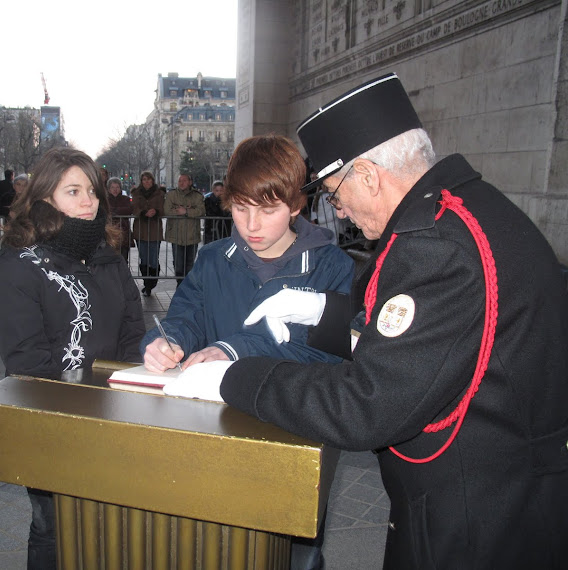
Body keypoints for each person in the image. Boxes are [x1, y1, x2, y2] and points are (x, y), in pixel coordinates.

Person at [201, 74, 568, 569]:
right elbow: (428, 342)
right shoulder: (461, 213)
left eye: (335, 193)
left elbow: (367, 406)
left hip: (477, 515)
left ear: (369, 175)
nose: (341, 211)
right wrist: (322, 313)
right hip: (496, 490)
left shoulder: (436, 246)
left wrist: (235, 376)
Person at [142, 135, 354, 570]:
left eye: (268, 209)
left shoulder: (332, 266)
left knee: (296, 554)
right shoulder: (215, 257)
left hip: (298, 434)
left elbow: (330, 356)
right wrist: (167, 341)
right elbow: (187, 313)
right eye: (241, 209)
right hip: (221, 429)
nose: (252, 225)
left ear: (296, 205)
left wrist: (231, 349)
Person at [0, 147, 145, 569]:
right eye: (72, 190)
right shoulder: (17, 267)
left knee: (111, 522)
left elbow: (133, 332)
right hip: (51, 423)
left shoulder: (109, 258)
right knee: (53, 526)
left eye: (92, 190)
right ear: (44, 199)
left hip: (115, 413)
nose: (88, 201)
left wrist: (129, 392)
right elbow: (27, 362)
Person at [164, 173, 205, 286]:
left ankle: (187, 287)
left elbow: (201, 211)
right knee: (178, 264)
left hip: (192, 235)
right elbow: (167, 211)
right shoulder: (171, 195)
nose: (181, 183)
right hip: (176, 234)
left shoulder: (197, 196)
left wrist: (186, 212)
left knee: (190, 264)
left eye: (184, 180)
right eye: (180, 181)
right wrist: (181, 211)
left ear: (190, 182)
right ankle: (180, 284)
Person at [130, 171, 164, 296]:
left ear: (153, 180)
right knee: (144, 259)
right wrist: (143, 212)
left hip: (155, 230)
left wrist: (156, 211)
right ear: (141, 181)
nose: (146, 181)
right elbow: (134, 208)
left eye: (149, 179)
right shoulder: (136, 193)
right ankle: (147, 284)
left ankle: (152, 283)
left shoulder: (160, 193)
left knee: (154, 260)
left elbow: (163, 208)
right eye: (144, 179)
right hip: (141, 230)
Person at [106, 177, 133, 261]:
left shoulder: (126, 199)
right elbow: (105, 210)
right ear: (109, 189)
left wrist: (114, 211)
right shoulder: (105, 200)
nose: (115, 190)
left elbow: (129, 210)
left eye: (117, 187)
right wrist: (118, 211)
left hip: (123, 232)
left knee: (123, 259)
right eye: (112, 187)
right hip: (109, 234)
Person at [203, 179, 232, 243]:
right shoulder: (208, 200)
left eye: (221, 190)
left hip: (224, 230)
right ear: (213, 191)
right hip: (211, 231)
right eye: (217, 191)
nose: (219, 193)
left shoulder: (226, 201)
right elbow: (211, 212)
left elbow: (227, 213)